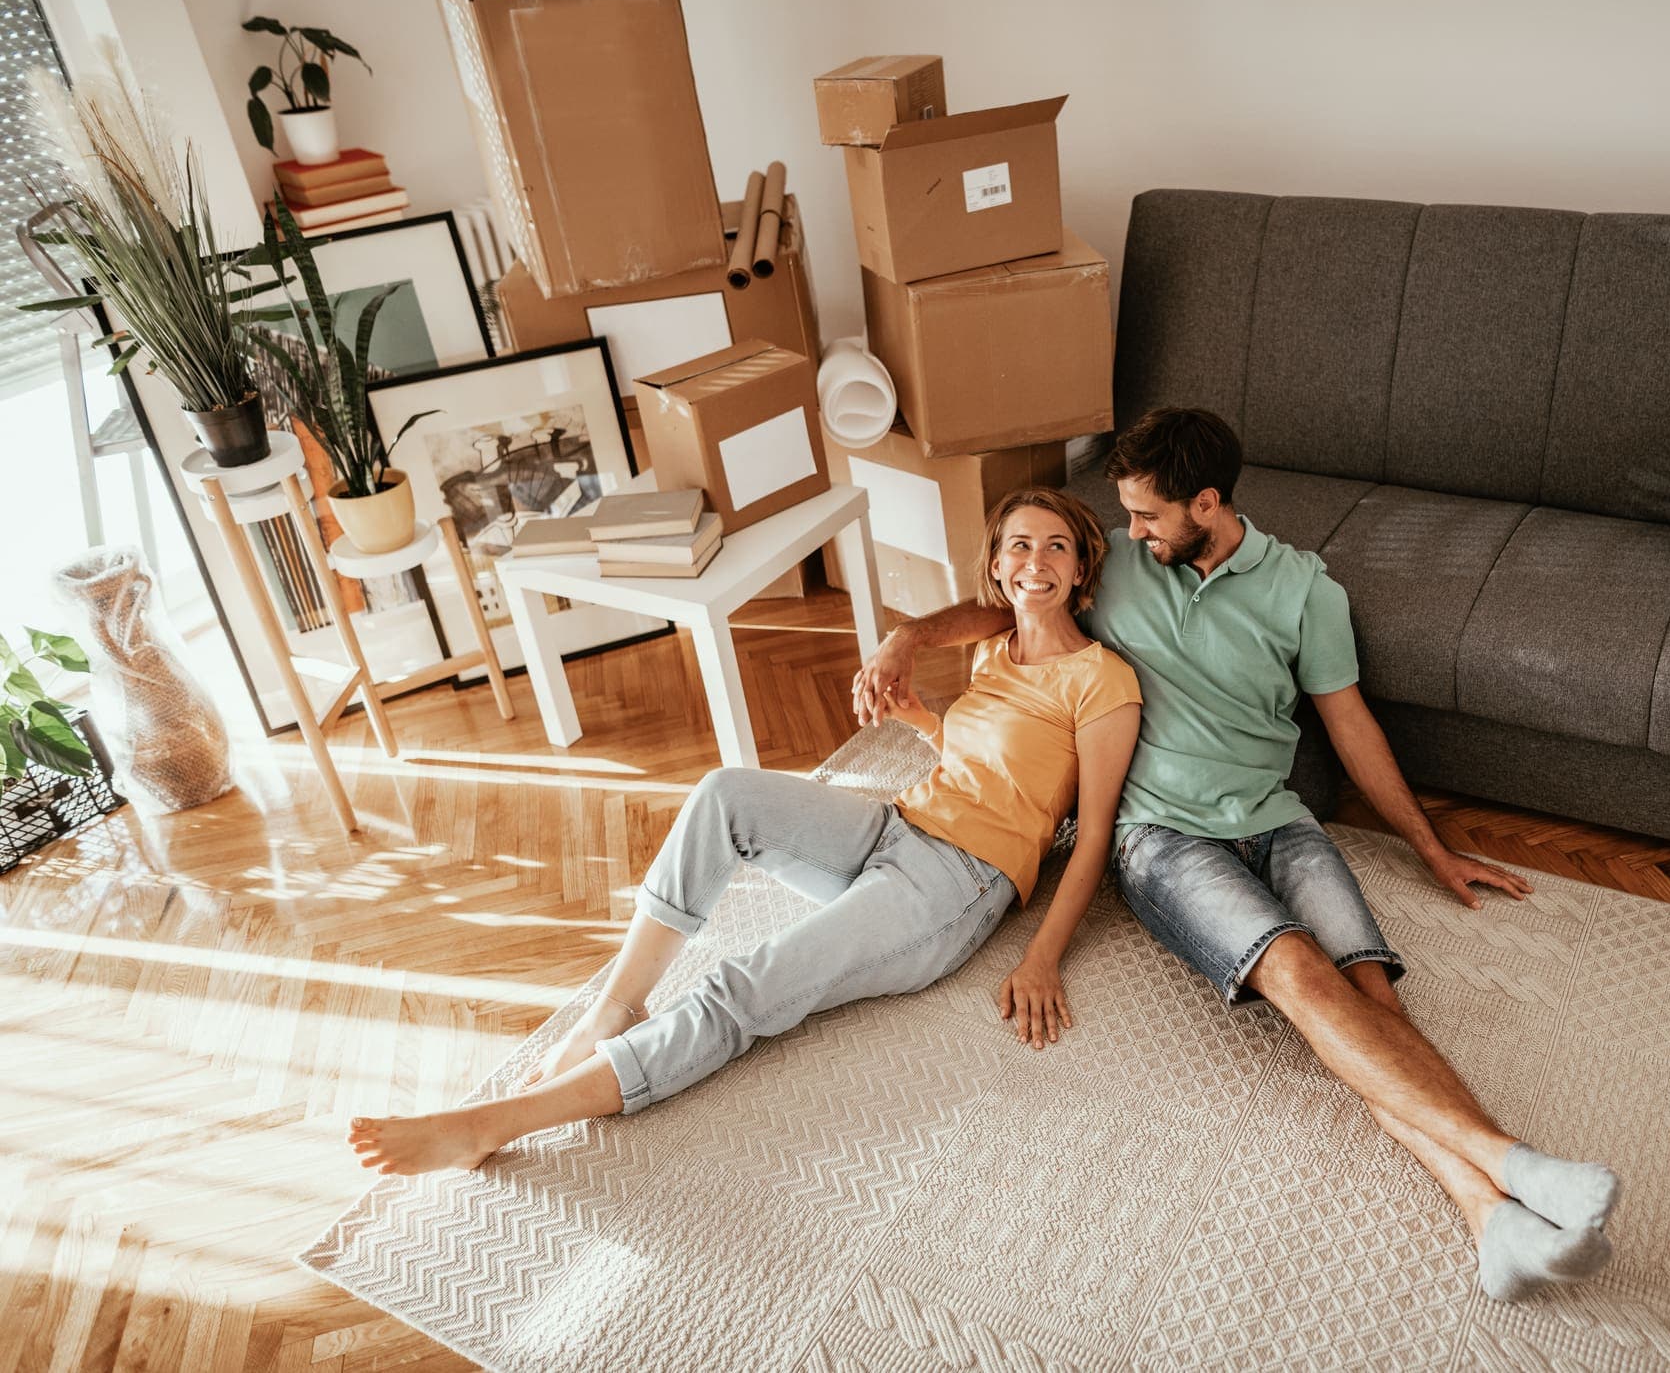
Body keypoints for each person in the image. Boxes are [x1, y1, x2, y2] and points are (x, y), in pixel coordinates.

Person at [855, 409, 1622, 1302]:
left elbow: (1348, 723)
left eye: (1146, 516)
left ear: (1207, 504)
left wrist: (1430, 847)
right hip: (1161, 837)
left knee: (1374, 1000)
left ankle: (1489, 1219)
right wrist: (906, 636)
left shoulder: (1305, 592)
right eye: (1125, 517)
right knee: (1300, 976)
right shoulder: (1114, 565)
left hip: (1276, 817)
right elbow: (1006, 600)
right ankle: (1514, 1166)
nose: (1128, 533)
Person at [349, 488, 1141, 1175]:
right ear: (997, 567)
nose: (1034, 560)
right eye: (1018, 545)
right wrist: (926, 726)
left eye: (1055, 547)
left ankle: (495, 1124)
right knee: (724, 795)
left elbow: (1091, 828)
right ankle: (615, 1007)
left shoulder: (1102, 679)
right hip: (897, 824)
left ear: (1081, 568)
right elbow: (1001, 768)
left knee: (746, 982)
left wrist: (1042, 959)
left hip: (955, 883)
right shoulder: (994, 647)